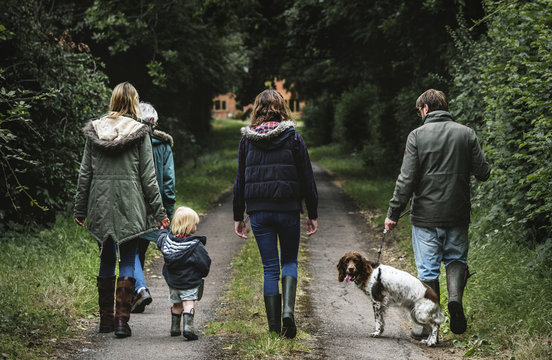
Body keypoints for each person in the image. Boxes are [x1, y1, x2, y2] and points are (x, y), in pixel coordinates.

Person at [384, 89, 490, 339]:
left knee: (428, 271)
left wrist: (393, 213)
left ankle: (429, 325)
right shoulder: (467, 134)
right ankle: (455, 300)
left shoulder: (417, 136)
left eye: (419, 111)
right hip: (457, 213)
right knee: (455, 259)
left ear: (426, 109)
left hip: (425, 217)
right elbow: (483, 172)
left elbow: (406, 179)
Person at [74, 82, 170, 338]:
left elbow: (85, 173)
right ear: (133, 102)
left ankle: (105, 321)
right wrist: (160, 213)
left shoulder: (95, 130)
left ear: (113, 100)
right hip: (130, 206)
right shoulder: (140, 132)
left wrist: (80, 209)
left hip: (100, 205)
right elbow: (148, 177)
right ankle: (121, 322)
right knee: (127, 258)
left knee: (106, 258)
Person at [232, 89, 319, 339]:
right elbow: (307, 178)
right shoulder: (293, 138)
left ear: (257, 110)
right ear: (282, 108)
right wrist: (312, 212)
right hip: (288, 209)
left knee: (270, 268)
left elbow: (240, 180)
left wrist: (239, 216)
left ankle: (273, 328)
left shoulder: (247, 141)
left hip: (259, 212)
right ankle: (288, 313)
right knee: (289, 262)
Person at [131, 102, 176, 314]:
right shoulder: (164, 146)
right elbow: (168, 183)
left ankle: (138, 291)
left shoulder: (129, 143)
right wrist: (168, 211)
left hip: (132, 204)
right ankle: (181, 296)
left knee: (133, 250)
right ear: (154, 123)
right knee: (142, 249)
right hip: (155, 207)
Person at [157, 206, 211, 341]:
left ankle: (175, 328)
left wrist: (162, 230)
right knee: (188, 304)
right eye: (195, 224)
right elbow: (205, 262)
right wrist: (203, 273)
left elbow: (161, 240)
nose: (196, 226)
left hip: (173, 282)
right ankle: (188, 328)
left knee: (176, 304)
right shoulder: (195, 245)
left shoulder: (168, 242)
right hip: (190, 282)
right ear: (189, 226)